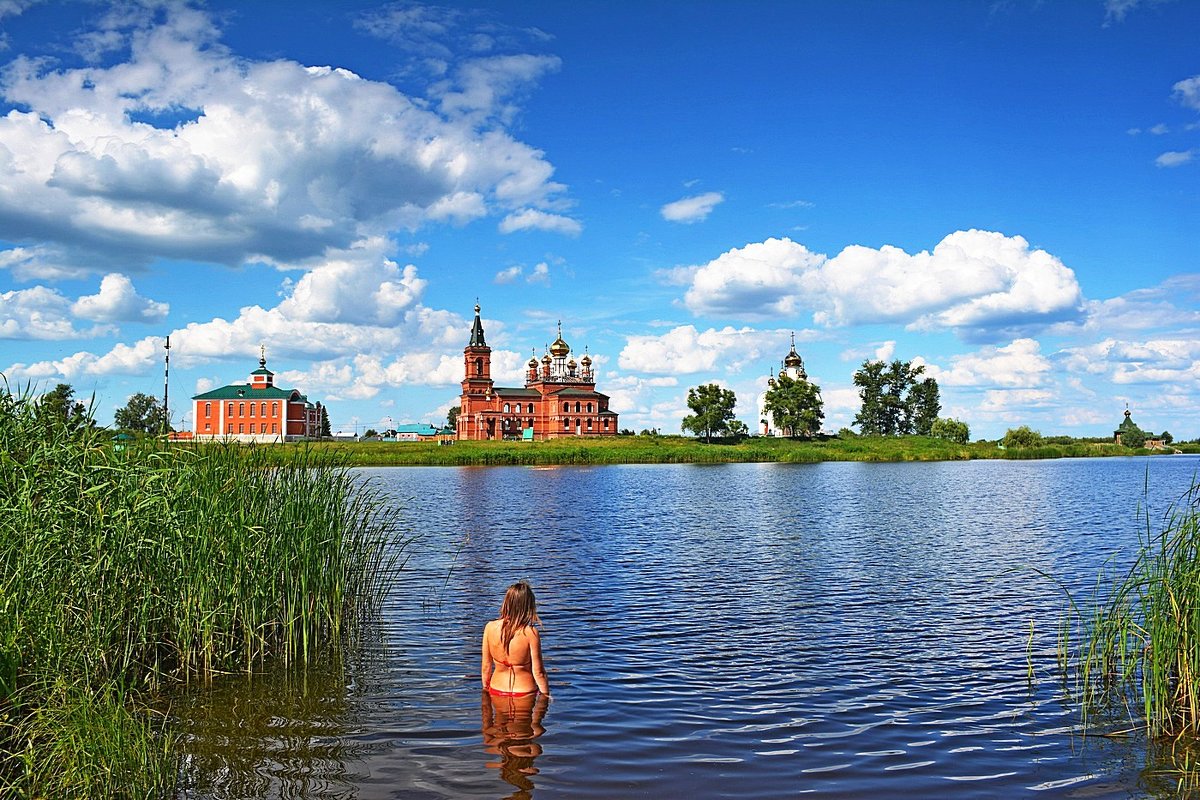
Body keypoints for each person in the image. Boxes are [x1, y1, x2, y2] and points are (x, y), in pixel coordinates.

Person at [481, 581, 550, 698]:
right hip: (525, 692)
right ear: (528, 607)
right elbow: (539, 673)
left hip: (496, 690)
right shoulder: (530, 633)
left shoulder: (490, 628)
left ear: (506, 603)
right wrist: (547, 696)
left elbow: (486, 668)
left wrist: (486, 692)